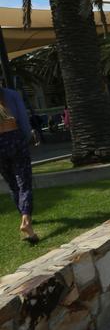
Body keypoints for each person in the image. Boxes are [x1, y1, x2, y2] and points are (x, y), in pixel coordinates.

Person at [0, 88, 38, 243]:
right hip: (15, 138)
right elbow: (23, 118)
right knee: (24, 181)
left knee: (12, 184)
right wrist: (26, 137)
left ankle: (23, 215)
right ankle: (26, 219)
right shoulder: (11, 95)